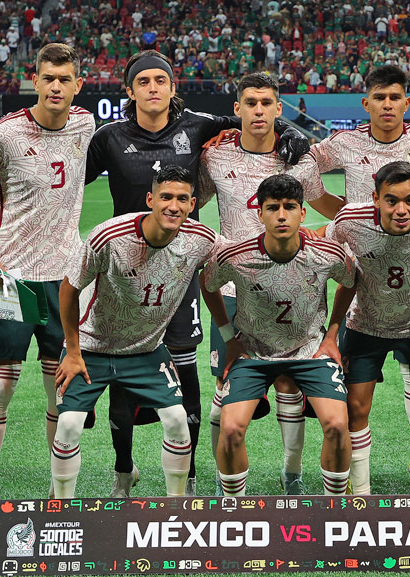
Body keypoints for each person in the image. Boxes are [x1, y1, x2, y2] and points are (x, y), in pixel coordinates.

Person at [84, 50, 309, 497]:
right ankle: (124, 471)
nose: (153, 87)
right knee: (123, 370)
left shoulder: (197, 127)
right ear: (129, 90)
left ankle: (185, 480)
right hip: (123, 272)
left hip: (180, 267)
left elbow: (252, 117)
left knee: (185, 368)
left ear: (173, 87)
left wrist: (290, 130)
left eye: (160, 80)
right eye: (143, 81)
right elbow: (71, 183)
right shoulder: (108, 137)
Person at [0, 43, 94, 537]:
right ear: (35, 80)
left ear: (78, 85)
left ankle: (58, 499)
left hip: (65, 281)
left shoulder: (85, 124)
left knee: (61, 394)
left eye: (65, 78)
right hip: (9, 279)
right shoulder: (4, 133)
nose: (56, 86)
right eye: (48, 77)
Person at [298, 64, 410, 494]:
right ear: (366, 103)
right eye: (380, 98)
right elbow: (306, 169)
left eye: (395, 98)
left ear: (407, 102)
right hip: (363, 294)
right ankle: (361, 494)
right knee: (356, 404)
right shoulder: (346, 144)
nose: (387, 105)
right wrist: (340, 214)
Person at [200, 72, 344, 495]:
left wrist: (347, 224)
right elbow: (189, 201)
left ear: (279, 109)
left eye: (266, 103)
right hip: (233, 291)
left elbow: (324, 206)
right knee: (225, 390)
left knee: (290, 385)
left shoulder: (297, 159)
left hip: (293, 288)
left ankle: (291, 473)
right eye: (251, 103)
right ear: (237, 109)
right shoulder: (216, 157)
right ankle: (224, 479)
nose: (259, 110)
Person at [52, 165, 220, 498]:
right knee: (69, 424)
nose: (173, 206)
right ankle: (61, 510)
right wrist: (72, 351)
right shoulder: (108, 237)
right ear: (150, 200)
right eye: (166, 197)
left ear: (192, 204)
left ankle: (176, 509)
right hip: (92, 348)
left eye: (182, 199)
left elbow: (238, 255)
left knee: (177, 419)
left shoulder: (201, 239)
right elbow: (69, 289)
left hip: (146, 350)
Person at [324, 161, 410, 495]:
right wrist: (331, 331)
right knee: (355, 409)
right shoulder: (350, 221)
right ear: (376, 199)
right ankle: (362, 496)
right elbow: (329, 255)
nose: (402, 209)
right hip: (365, 324)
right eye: (391, 200)